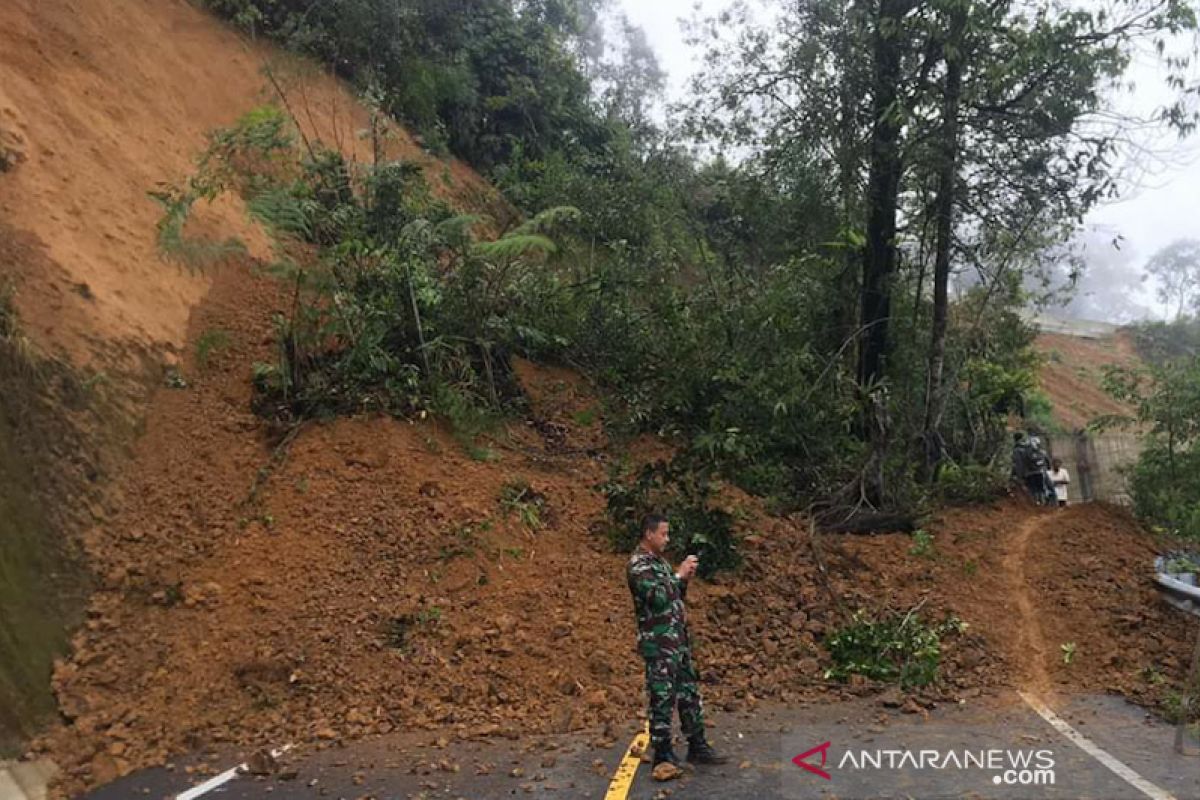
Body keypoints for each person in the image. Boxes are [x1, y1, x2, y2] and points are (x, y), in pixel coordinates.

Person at [627, 514, 728, 769]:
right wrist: (678, 576)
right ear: (649, 534)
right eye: (663, 534)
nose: (667, 539)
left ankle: (697, 745)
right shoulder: (639, 565)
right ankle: (663, 753)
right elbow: (657, 598)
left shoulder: (659, 563)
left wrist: (683, 579)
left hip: (677, 641)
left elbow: (674, 597)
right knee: (662, 696)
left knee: (688, 693)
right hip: (658, 643)